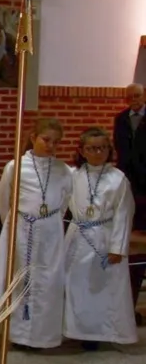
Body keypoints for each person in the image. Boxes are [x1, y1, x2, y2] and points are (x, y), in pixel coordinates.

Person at [0, 117, 72, 350]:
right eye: (46, 140)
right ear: (33, 137)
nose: (50, 146)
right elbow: (5, 200)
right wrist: (12, 227)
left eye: (55, 142)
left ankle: (42, 336)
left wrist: (49, 222)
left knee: (48, 280)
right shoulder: (16, 166)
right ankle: (17, 334)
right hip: (21, 229)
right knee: (20, 278)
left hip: (50, 231)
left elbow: (65, 199)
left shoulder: (64, 170)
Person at [64, 127, 138, 348]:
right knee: (76, 285)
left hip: (104, 237)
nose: (97, 152)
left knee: (103, 288)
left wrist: (118, 247)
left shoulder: (118, 179)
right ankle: (76, 331)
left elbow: (124, 213)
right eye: (92, 148)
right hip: (77, 236)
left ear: (109, 150)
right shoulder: (72, 175)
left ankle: (101, 333)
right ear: (82, 150)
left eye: (102, 148)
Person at [112, 83, 146, 325]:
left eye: (137, 96)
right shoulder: (121, 119)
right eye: (130, 96)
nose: (133, 99)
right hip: (128, 179)